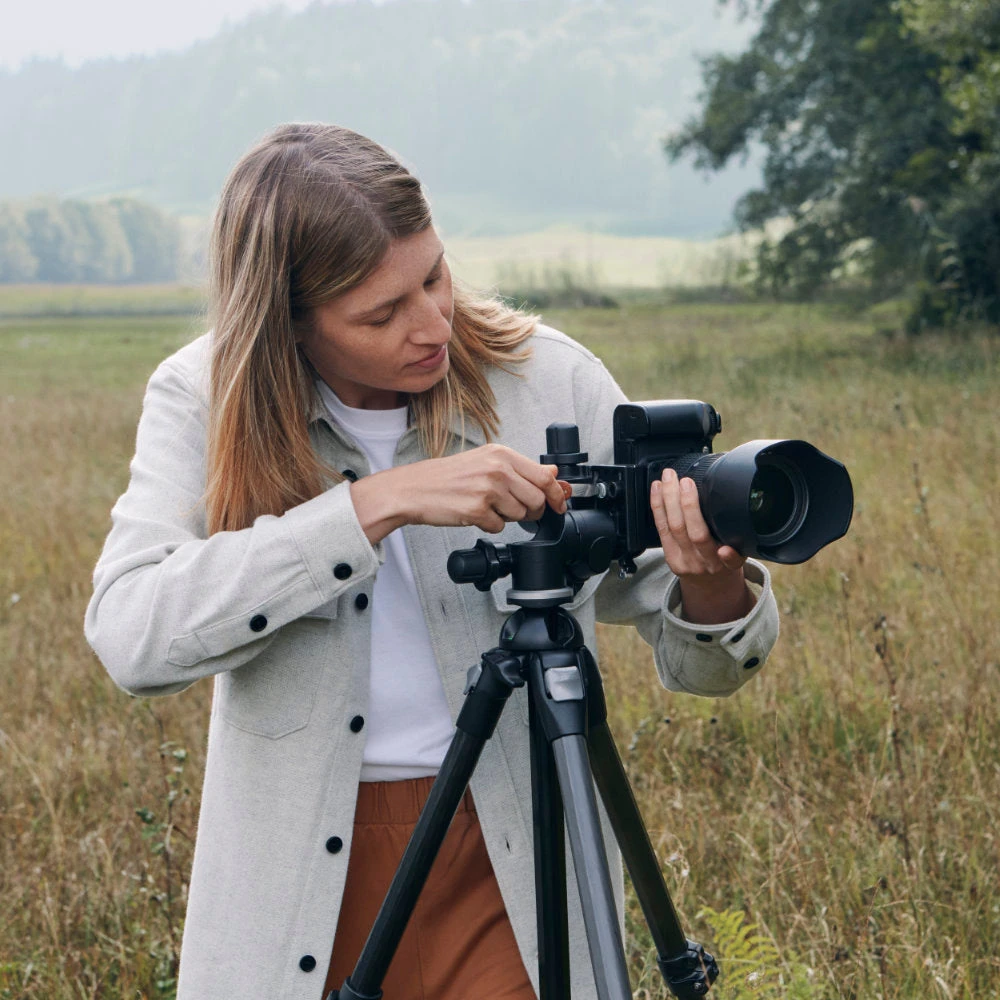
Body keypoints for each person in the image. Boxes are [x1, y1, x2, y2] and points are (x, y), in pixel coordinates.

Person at [85, 123, 779, 1000]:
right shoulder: (205, 397)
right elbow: (132, 636)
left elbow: (705, 667)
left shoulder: (546, 377)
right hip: (296, 870)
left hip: (514, 852)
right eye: (381, 314)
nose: (432, 324)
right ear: (288, 323)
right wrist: (371, 507)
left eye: (435, 276)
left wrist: (713, 585)